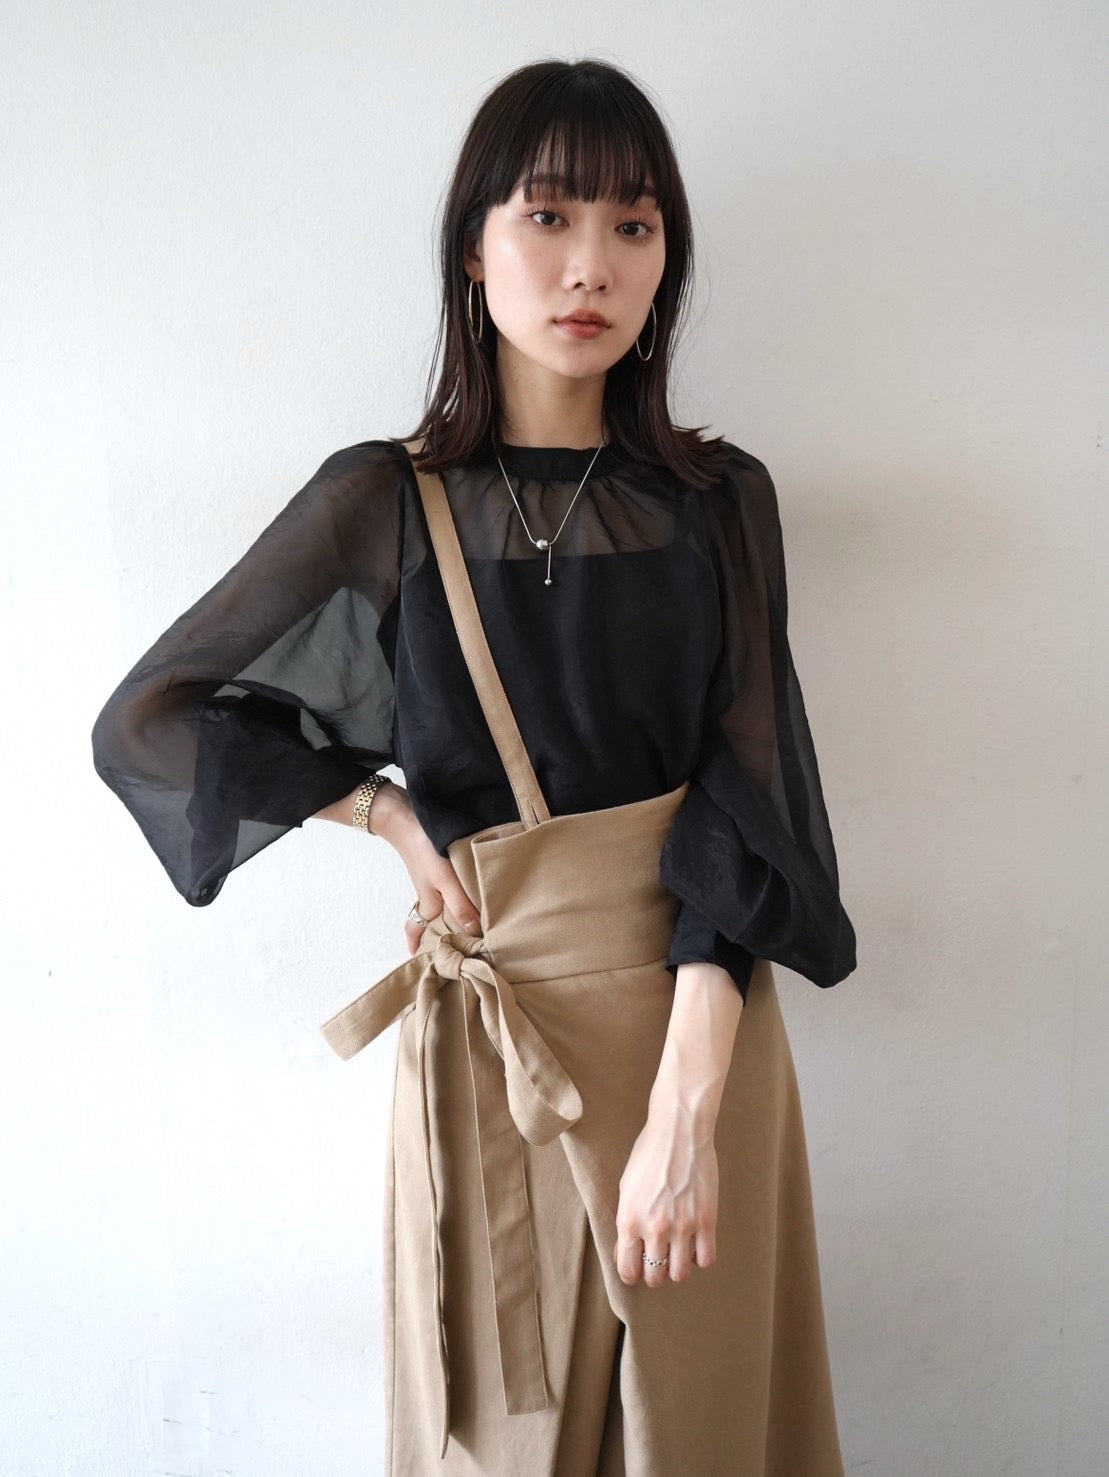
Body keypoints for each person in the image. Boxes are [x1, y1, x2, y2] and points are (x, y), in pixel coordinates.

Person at [91, 55, 857, 1477]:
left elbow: (754, 795)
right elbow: (152, 718)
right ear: (472, 247)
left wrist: (687, 1106)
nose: (591, 264)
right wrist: (382, 810)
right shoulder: (383, 499)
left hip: (697, 1031)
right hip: (494, 1046)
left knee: (703, 1435)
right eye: (549, 216)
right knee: (502, 1440)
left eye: (633, 225)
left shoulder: (714, 501)